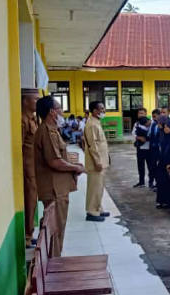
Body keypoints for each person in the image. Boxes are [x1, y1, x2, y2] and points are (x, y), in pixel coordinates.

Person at [34, 96, 85, 257]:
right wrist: (76, 167)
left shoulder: (52, 131)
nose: (62, 112)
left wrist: (73, 165)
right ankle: (54, 264)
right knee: (55, 230)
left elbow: (60, 157)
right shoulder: (47, 132)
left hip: (58, 187)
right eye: (59, 109)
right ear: (51, 112)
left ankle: (54, 260)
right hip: (54, 189)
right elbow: (55, 162)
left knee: (58, 227)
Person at [82, 101, 110, 222]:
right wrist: (97, 162)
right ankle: (92, 211)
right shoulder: (91, 124)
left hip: (102, 160)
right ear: (94, 111)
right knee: (94, 187)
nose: (104, 111)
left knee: (99, 186)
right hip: (96, 163)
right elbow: (93, 145)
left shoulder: (96, 122)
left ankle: (98, 208)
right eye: (101, 109)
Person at [21, 88, 40, 247]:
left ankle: (30, 232)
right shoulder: (23, 120)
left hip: (34, 166)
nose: (37, 102)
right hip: (28, 169)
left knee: (33, 200)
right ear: (25, 101)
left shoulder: (33, 118)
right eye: (35, 99)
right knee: (30, 199)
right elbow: (19, 147)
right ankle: (27, 236)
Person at [155, 116, 170, 210]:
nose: (166, 128)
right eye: (165, 126)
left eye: (167, 126)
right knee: (161, 182)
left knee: (168, 183)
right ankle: (160, 201)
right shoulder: (162, 134)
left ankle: (168, 201)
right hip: (162, 162)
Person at [132, 108, 150, 188]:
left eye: (142, 113)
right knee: (140, 166)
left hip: (150, 149)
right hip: (140, 149)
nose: (140, 115)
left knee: (151, 166)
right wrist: (138, 138)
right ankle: (141, 182)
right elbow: (133, 134)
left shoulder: (150, 123)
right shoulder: (137, 124)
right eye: (139, 113)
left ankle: (152, 183)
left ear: (146, 114)